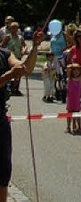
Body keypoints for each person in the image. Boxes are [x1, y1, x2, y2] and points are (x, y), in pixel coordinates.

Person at [0, 27, 43, 201]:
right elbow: (10, 75)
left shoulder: (4, 54)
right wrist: (7, 76)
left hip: (0, 120)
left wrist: (35, 47)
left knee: (3, 171)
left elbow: (25, 68)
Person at [2, 23, 26, 95]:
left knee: (18, 73)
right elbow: (2, 46)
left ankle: (15, 88)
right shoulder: (8, 37)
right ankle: (8, 88)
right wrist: (7, 49)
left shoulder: (20, 37)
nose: (14, 30)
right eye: (12, 28)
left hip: (17, 57)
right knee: (9, 73)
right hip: (9, 58)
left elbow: (24, 45)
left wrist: (23, 50)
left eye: (15, 28)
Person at [65, 62, 81, 135]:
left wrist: (79, 66)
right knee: (69, 113)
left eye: (77, 70)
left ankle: (79, 127)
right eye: (74, 70)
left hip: (77, 99)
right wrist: (72, 66)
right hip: (70, 99)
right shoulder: (70, 79)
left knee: (77, 113)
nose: (76, 72)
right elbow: (67, 68)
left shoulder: (80, 79)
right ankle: (68, 127)